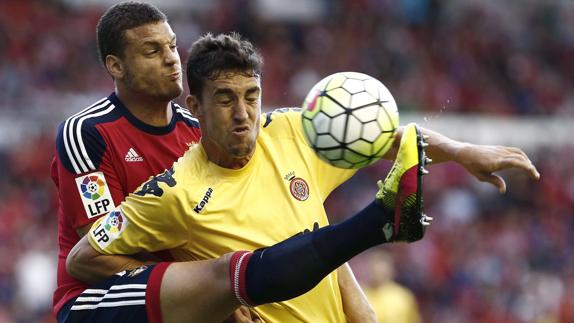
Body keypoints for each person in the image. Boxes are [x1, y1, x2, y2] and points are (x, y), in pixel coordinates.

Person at [67, 32, 540, 322]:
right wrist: (205, 296)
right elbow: (84, 257)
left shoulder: (292, 130)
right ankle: (378, 221)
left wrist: (462, 151)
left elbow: (383, 134)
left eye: (252, 95)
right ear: (194, 106)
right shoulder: (171, 193)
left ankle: (380, 220)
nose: (243, 113)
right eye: (226, 98)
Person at [49, 1, 206, 321]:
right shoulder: (87, 132)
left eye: (172, 46)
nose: (172, 59)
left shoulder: (197, 133)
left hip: (181, 294)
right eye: (152, 51)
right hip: (96, 298)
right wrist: (199, 288)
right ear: (116, 66)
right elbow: (99, 249)